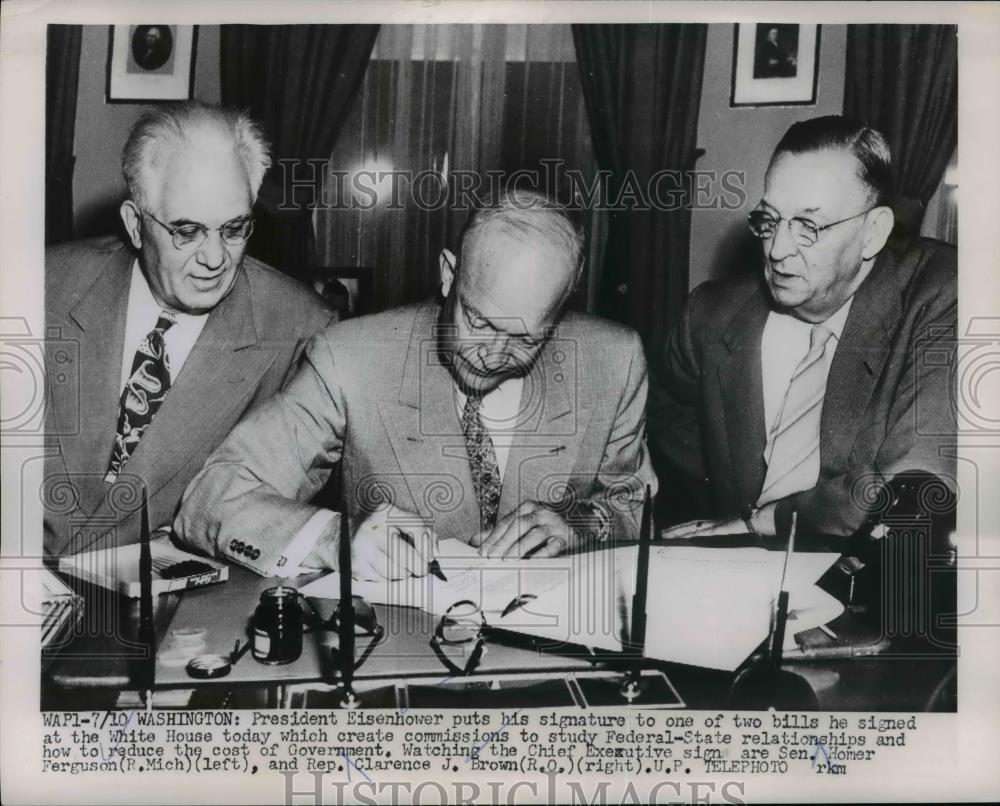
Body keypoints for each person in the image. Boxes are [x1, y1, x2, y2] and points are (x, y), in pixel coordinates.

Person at [175, 189, 656, 579]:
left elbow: (633, 504)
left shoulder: (613, 361)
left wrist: (581, 525)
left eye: (525, 338)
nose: (492, 356)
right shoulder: (351, 359)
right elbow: (211, 497)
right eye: (480, 322)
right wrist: (333, 540)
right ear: (449, 274)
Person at [44, 101, 332, 560]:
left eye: (234, 228)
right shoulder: (41, 288)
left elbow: (262, 514)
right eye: (187, 230)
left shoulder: (301, 330)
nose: (215, 258)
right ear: (135, 225)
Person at [649, 115, 956, 543]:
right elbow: (668, 417)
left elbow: (908, 485)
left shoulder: (942, 292)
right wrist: (725, 505)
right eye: (769, 219)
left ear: (873, 233)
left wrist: (763, 519)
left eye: (808, 226)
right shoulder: (711, 313)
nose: (776, 249)